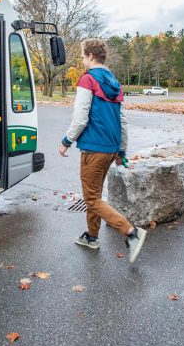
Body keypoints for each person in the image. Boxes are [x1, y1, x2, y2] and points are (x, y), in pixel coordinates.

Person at [59, 38, 147, 263]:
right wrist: (122, 150)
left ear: (89, 56)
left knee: (91, 199)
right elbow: (122, 120)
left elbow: (80, 118)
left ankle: (131, 232)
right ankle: (91, 236)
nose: (82, 60)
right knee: (94, 194)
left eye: (82, 56)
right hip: (110, 148)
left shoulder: (87, 80)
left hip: (93, 149)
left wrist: (67, 140)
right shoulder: (114, 82)